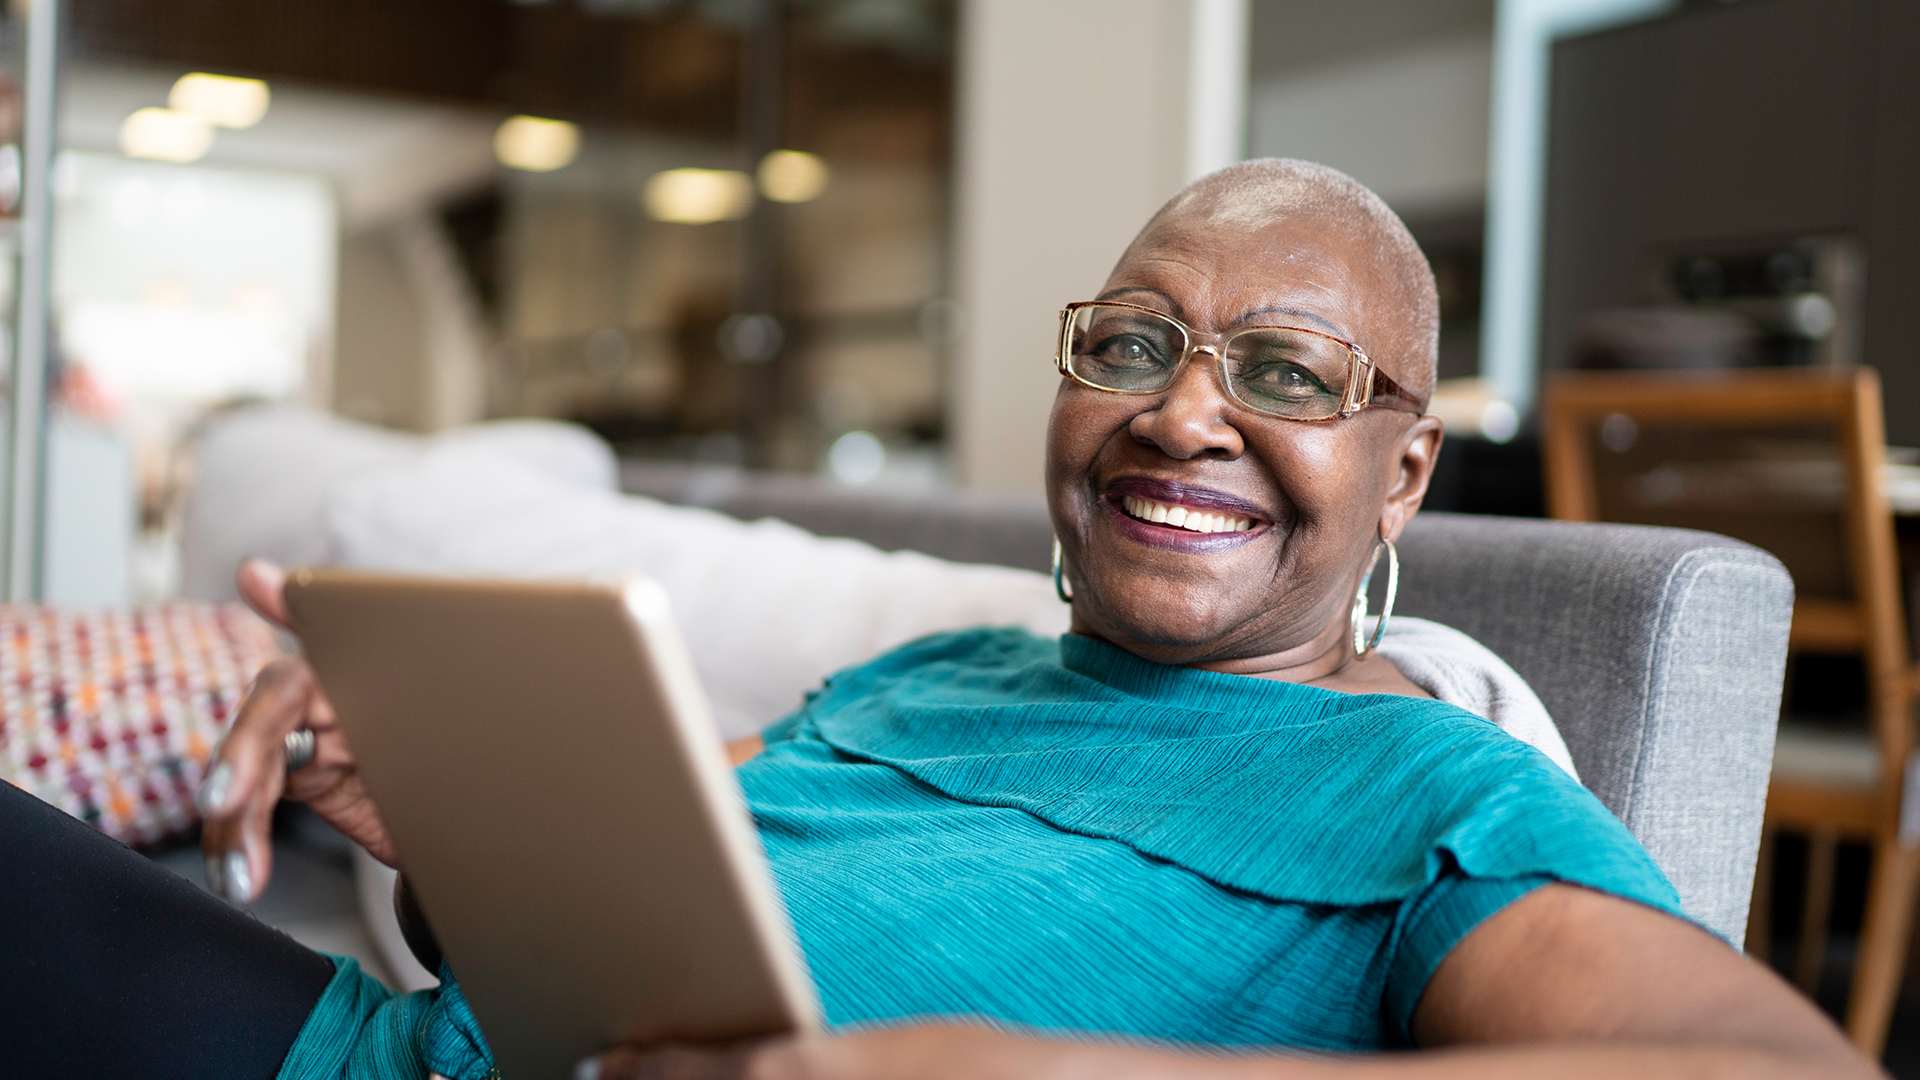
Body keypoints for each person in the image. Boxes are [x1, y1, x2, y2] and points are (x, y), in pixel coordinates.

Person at [4, 160, 1875, 1080]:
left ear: (1402, 478)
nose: (1181, 409)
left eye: (1287, 371)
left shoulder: (1424, 795)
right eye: (1132, 345)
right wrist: (453, 829)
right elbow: (654, 955)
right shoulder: (932, 676)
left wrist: (1043, 1073)